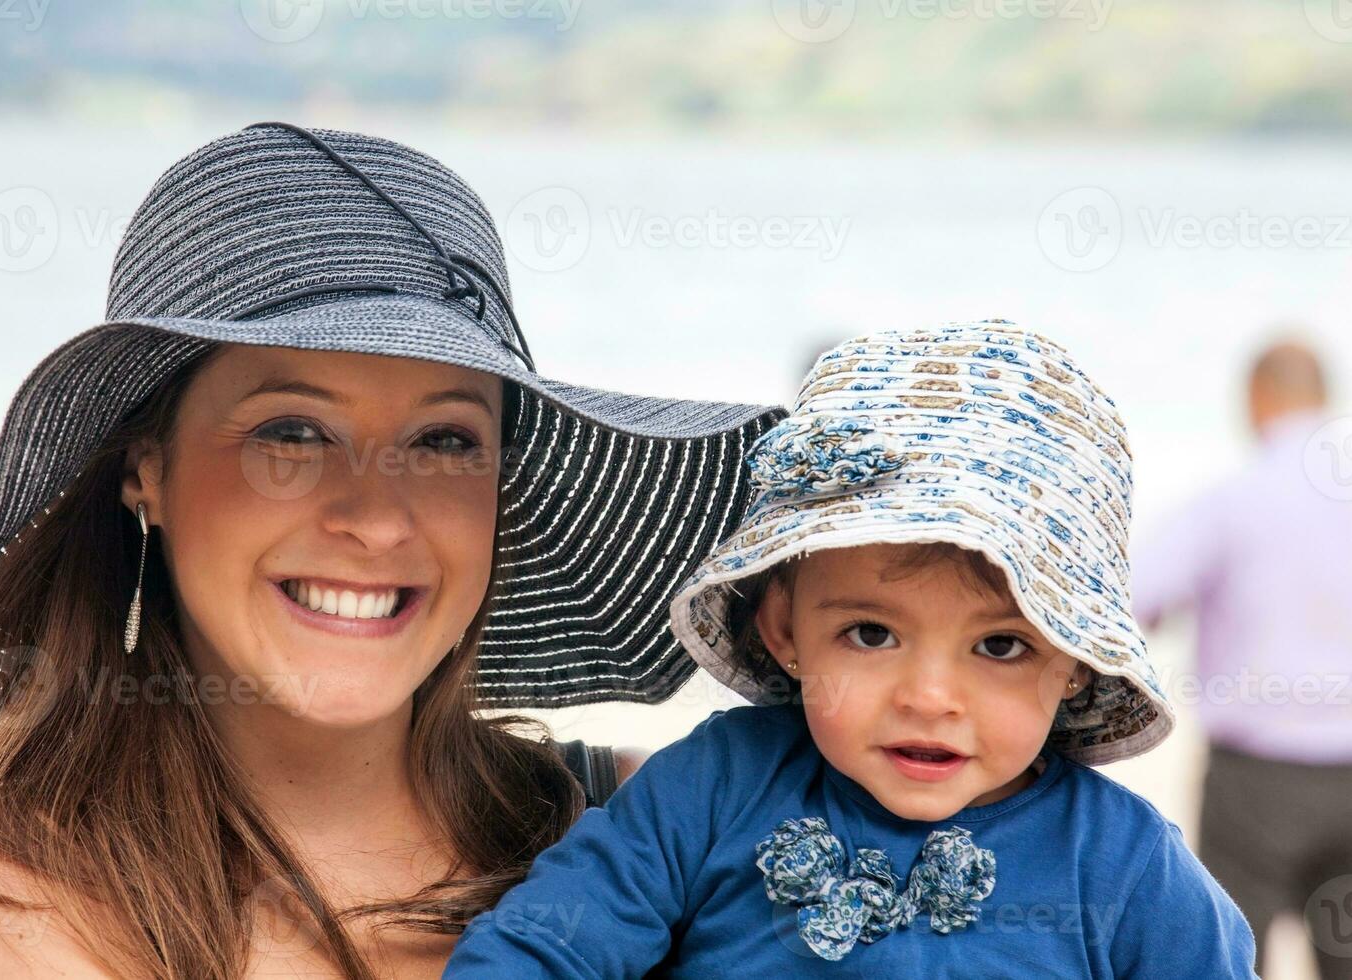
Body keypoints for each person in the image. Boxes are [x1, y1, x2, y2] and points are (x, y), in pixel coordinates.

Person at [0, 122, 782, 979]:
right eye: (294, 432)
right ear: (144, 466)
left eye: (444, 440)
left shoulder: (657, 825)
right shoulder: (4, 893)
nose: (379, 519)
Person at [443, 321, 1257, 977]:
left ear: (1075, 659)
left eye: (1000, 647)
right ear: (785, 632)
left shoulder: (1121, 865)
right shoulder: (716, 787)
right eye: (872, 634)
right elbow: (543, 947)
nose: (930, 697)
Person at [1133, 336, 1352, 978]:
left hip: (1256, 784)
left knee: (1231, 958)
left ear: (1256, 399)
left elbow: (1134, 599)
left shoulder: (1234, 500)